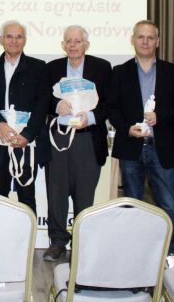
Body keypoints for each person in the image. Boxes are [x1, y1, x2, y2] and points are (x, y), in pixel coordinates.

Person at [107, 20, 174, 258]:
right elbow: (111, 107)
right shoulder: (119, 72)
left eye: (150, 37)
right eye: (140, 37)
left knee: (169, 205)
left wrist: (160, 116)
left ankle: (171, 253)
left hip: (160, 147)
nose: (145, 41)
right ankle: (135, 253)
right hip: (131, 147)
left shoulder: (172, 72)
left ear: (158, 42)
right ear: (133, 40)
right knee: (133, 204)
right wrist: (126, 128)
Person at [43, 25, 111, 262]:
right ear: (63, 45)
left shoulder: (102, 68)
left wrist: (90, 117)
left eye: (77, 41)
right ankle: (57, 242)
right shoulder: (51, 68)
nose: (72, 45)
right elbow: (42, 98)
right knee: (56, 192)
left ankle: (82, 243)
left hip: (87, 138)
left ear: (86, 45)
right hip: (58, 138)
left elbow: (110, 103)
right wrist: (55, 105)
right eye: (68, 41)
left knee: (84, 193)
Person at [0, 20, 49, 215]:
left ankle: (28, 235)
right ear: (1, 40)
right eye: (9, 36)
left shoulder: (39, 67)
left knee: (27, 196)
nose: (14, 41)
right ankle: (0, 234)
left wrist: (28, 135)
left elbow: (42, 104)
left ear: (25, 40)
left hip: (26, 141)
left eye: (19, 37)